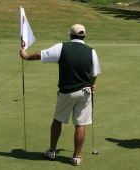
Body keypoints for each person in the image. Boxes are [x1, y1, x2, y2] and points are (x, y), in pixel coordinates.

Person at [19, 24, 101, 166]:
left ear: (70, 35)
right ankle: (76, 157)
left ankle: (52, 151)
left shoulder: (62, 47)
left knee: (58, 121)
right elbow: (94, 74)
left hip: (67, 92)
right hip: (85, 93)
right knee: (80, 124)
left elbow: (41, 55)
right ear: (84, 36)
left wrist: (26, 57)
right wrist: (92, 84)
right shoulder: (91, 51)